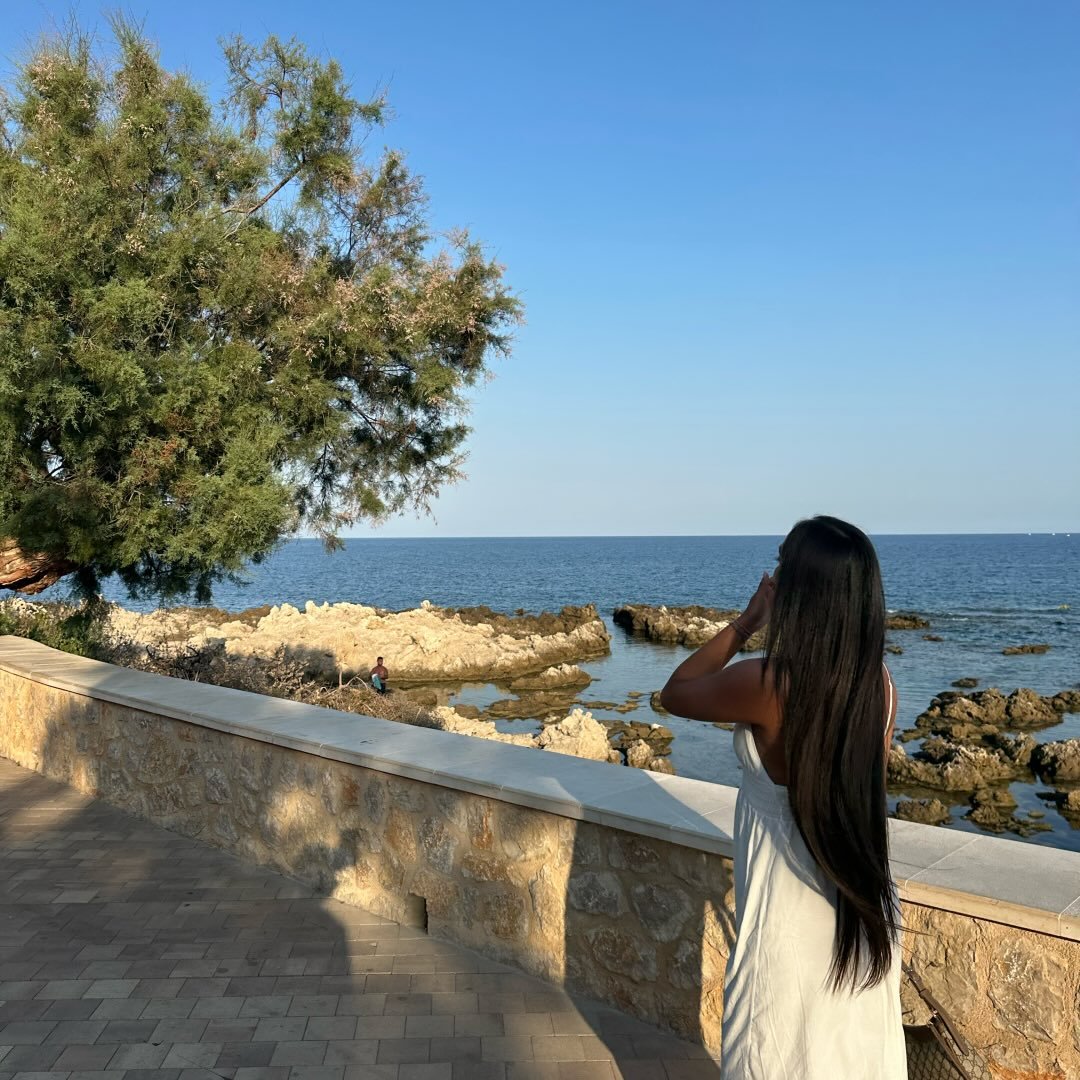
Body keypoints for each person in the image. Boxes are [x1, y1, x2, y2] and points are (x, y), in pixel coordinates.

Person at [660, 516, 906, 1079]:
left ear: (803, 589)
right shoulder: (880, 685)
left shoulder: (767, 683)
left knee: (774, 1054)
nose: (773, 576)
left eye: (782, 564)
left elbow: (675, 692)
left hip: (787, 914)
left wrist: (746, 623)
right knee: (851, 1057)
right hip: (858, 907)